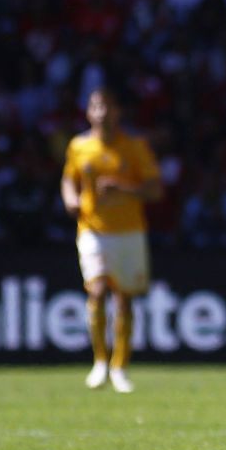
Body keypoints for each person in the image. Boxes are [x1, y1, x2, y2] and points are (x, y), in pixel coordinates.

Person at [61, 88, 163, 393]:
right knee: (98, 291)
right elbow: (69, 178)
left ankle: (120, 366)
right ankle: (100, 362)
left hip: (129, 231)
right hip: (93, 230)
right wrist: (70, 198)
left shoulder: (134, 147)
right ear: (88, 112)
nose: (101, 112)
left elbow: (155, 190)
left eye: (106, 106)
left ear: (118, 111)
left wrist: (123, 189)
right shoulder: (79, 146)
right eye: (95, 106)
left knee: (124, 298)